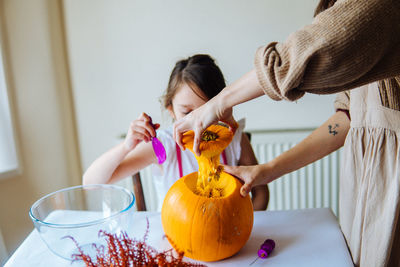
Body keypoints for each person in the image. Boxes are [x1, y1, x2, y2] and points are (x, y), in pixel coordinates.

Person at [172, 1, 400, 266]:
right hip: (366, 183)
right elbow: (347, 118)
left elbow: (297, 57)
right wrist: (267, 170)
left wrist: (220, 102)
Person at [83, 54, 269, 211]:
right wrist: (126, 147)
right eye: (187, 113)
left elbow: (261, 192)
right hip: (175, 241)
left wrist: (243, 221)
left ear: (222, 107)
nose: (199, 123)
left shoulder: (236, 139)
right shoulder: (164, 147)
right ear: (170, 109)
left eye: (207, 111)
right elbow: (90, 183)